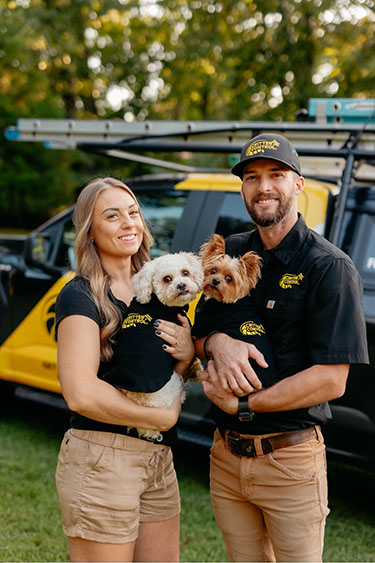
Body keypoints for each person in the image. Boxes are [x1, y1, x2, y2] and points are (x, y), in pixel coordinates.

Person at [194, 133, 369, 562]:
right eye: (251, 177)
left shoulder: (330, 267)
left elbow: (331, 380)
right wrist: (219, 342)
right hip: (226, 454)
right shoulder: (232, 250)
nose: (263, 186)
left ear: (298, 185)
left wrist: (246, 405)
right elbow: (196, 336)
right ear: (242, 190)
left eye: (277, 174)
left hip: (288, 459)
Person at [55, 177, 195, 563]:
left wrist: (186, 356)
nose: (128, 223)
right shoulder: (80, 295)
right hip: (102, 456)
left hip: (158, 459)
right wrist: (162, 416)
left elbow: (168, 368)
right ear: (90, 231)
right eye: (112, 216)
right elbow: (80, 393)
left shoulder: (159, 289)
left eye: (133, 212)